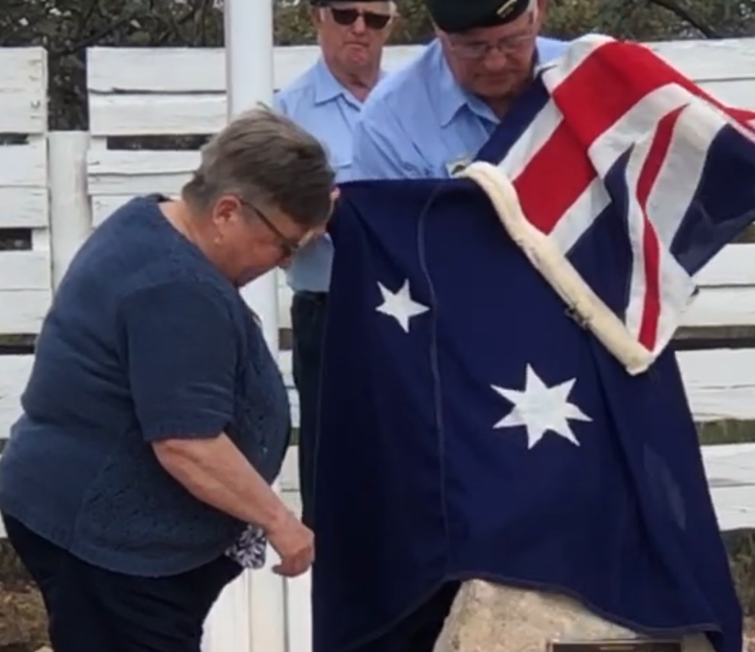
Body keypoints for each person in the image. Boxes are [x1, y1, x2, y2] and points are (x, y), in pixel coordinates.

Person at [0, 107, 335, 652]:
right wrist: (280, 522)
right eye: (283, 243)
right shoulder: (176, 288)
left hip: (96, 529)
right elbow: (187, 442)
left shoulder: (154, 220)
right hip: (107, 546)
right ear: (228, 211)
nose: (282, 261)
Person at [274, 0, 397, 530]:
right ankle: (339, 600)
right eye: (346, 13)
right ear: (316, 17)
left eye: (376, 18)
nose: (360, 28)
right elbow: (265, 219)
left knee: (416, 466)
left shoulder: (411, 102)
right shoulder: (287, 115)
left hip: (417, 311)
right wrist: (324, 213)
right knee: (336, 472)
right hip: (332, 309)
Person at [342, 0, 568, 181]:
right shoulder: (390, 124)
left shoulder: (584, 74)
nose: (495, 62)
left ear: (539, 10)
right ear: (439, 32)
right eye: (474, 47)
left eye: (513, 41)